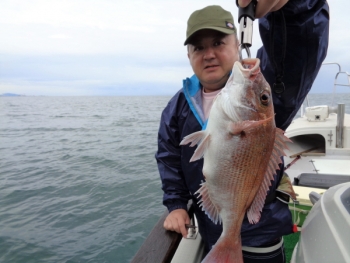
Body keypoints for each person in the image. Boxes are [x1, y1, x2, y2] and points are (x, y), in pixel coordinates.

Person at [155, 1, 329, 262]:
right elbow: (169, 158)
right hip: (213, 232)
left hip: (261, 240)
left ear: (237, 45)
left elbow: (297, 46)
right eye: (198, 47)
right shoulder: (177, 107)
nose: (209, 53)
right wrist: (176, 205)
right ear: (189, 56)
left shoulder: (262, 81)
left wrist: (296, 5)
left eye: (218, 43)